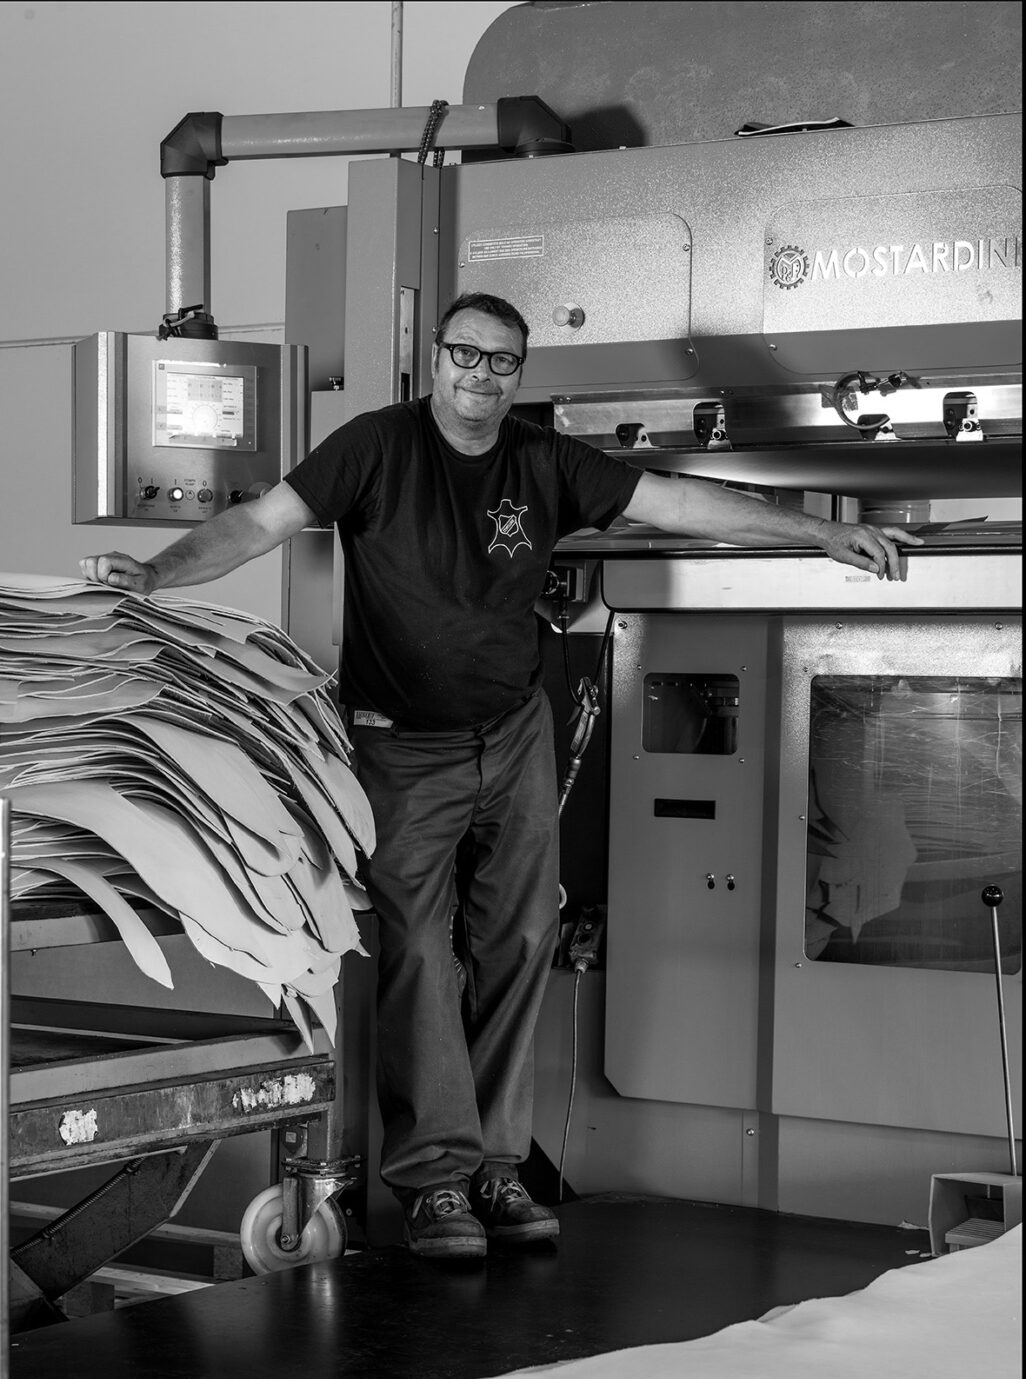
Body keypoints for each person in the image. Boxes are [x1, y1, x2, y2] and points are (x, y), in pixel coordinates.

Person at [80, 291, 920, 1261]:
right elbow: (257, 524)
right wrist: (155, 575)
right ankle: (434, 1179)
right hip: (402, 745)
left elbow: (677, 501)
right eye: (465, 355)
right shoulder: (376, 447)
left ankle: (495, 1167)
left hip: (513, 733)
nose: (480, 375)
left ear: (520, 373)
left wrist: (821, 534)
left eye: (501, 361)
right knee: (418, 953)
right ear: (435, 358)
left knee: (521, 940)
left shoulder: (542, 460)